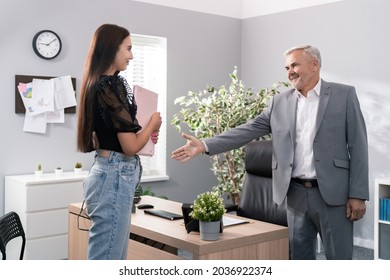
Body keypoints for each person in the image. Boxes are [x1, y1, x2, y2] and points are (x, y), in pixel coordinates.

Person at [172, 45, 369, 260]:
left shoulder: (344, 95)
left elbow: (358, 146)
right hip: (295, 194)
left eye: (294, 64)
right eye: (286, 67)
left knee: (339, 260)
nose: (289, 71)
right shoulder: (279, 102)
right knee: (299, 260)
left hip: (333, 194)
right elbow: (247, 130)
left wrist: (357, 194)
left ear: (315, 65)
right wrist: (205, 144)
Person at [77, 23, 162, 260]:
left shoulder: (95, 83)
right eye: (128, 48)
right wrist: (152, 124)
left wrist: (146, 130)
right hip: (114, 175)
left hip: (106, 171)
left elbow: (118, 137)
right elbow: (130, 146)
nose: (132, 55)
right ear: (112, 48)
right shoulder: (109, 86)